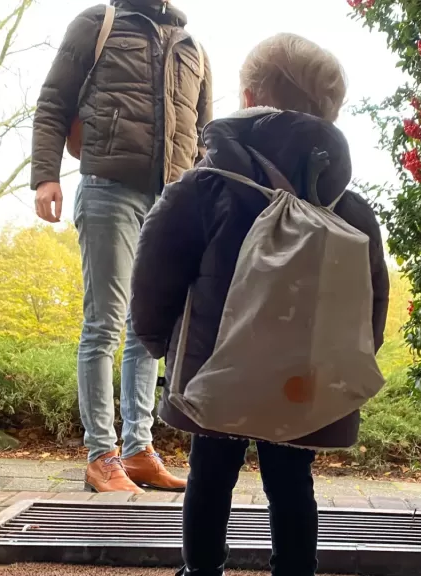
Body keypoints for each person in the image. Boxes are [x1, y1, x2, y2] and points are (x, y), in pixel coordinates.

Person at [130, 33, 390, 576]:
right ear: (329, 115)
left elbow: (154, 274)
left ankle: (202, 571)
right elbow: (371, 296)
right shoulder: (349, 206)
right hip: (304, 378)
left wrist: (159, 341)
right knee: (293, 483)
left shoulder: (205, 188)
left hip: (215, 369)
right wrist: (343, 364)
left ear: (248, 99)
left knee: (210, 477)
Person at [30, 0, 211, 493]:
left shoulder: (192, 46)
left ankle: (137, 449)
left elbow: (204, 135)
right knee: (105, 323)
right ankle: (100, 455)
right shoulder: (98, 23)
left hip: (171, 197)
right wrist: (46, 175)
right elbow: (53, 102)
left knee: (148, 328)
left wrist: (203, 201)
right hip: (109, 186)